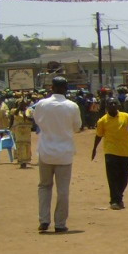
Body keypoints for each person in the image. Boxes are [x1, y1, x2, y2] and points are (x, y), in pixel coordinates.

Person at [32, 77, 82, 233]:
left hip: (46, 151)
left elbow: (37, 122)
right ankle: (60, 223)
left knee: (44, 186)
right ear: (66, 88)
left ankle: (44, 220)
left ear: (51, 87)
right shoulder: (72, 106)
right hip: (64, 153)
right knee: (63, 190)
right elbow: (77, 127)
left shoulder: (41, 104)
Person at [91, 97, 128, 209]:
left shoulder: (125, 117)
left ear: (118, 105)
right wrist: (94, 149)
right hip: (110, 152)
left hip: (125, 152)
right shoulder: (102, 121)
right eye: (110, 103)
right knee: (112, 177)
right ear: (106, 106)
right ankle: (114, 200)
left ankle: (119, 196)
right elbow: (98, 136)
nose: (113, 105)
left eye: (115, 103)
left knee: (124, 176)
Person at [9, 99, 34, 168]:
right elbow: (13, 116)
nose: (22, 105)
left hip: (26, 130)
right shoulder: (14, 110)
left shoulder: (29, 111)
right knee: (20, 144)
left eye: (23, 104)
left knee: (27, 145)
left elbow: (32, 120)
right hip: (18, 130)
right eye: (20, 104)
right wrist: (19, 108)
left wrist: (26, 117)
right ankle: (21, 161)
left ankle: (26, 160)